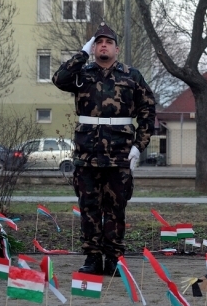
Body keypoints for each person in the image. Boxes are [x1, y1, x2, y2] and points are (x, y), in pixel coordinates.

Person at [52, 22, 156, 276]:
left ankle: (113, 258)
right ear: (94, 47)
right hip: (87, 154)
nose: (103, 46)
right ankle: (92, 258)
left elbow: (148, 110)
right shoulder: (82, 74)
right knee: (89, 207)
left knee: (115, 207)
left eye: (108, 42)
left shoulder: (132, 76)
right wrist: (81, 54)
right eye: (99, 42)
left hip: (120, 153)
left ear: (117, 49)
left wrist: (138, 146)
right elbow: (58, 78)